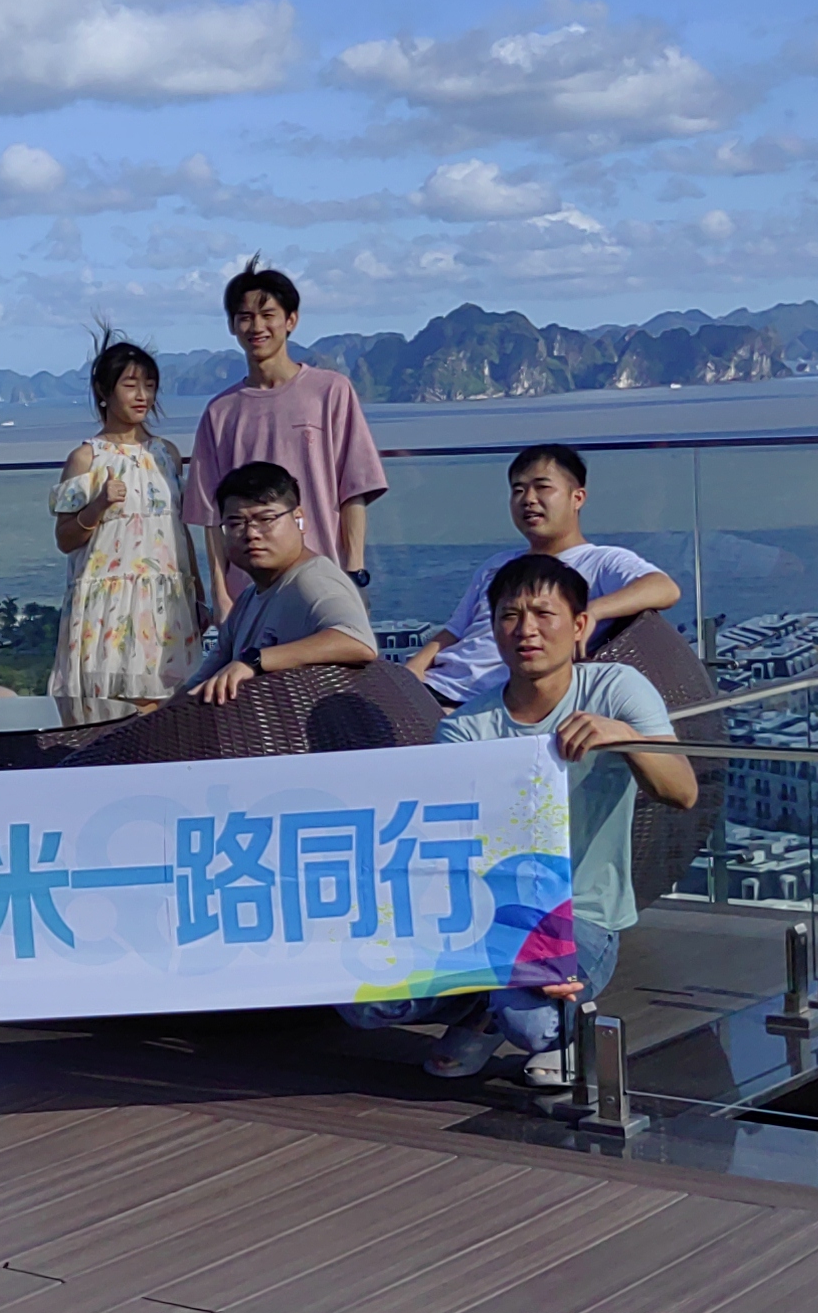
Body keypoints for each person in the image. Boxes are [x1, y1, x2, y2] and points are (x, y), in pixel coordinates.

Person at [355, 553, 695, 1083]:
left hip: (580, 914)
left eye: (544, 614)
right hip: (482, 912)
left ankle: (540, 1020)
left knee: (533, 1023)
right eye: (510, 616)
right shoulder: (465, 729)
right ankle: (488, 1005)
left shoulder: (615, 689)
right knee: (367, 1002)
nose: (526, 629)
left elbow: (682, 792)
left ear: (580, 626)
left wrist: (625, 738)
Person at [181, 263, 385, 618]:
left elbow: (353, 489)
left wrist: (354, 575)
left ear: (291, 320)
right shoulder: (220, 412)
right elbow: (211, 514)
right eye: (245, 317)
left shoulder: (330, 392)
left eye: (268, 315)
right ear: (232, 325)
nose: (256, 326)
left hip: (324, 578)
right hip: (248, 590)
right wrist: (220, 592)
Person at [408, 444, 683, 705]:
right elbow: (454, 631)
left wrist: (593, 611)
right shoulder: (498, 564)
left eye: (542, 487)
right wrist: (412, 672)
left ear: (577, 498)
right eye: (518, 490)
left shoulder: (601, 561)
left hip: (484, 701)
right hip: (434, 686)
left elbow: (664, 588)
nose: (528, 499)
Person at [50, 335, 202, 714]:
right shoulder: (86, 458)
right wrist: (98, 505)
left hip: (166, 603)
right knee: (109, 712)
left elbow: (179, 530)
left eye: (149, 386)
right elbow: (65, 538)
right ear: (104, 391)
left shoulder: (166, 454)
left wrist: (198, 595)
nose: (142, 396)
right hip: (107, 607)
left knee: (168, 709)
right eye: (130, 385)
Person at [183, 461, 376, 700]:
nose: (251, 533)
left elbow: (357, 641)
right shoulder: (248, 599)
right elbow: (201, 681)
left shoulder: (313, 582)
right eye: (235, 523)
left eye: (266, 519)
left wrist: (256, 660)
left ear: (299, 519)